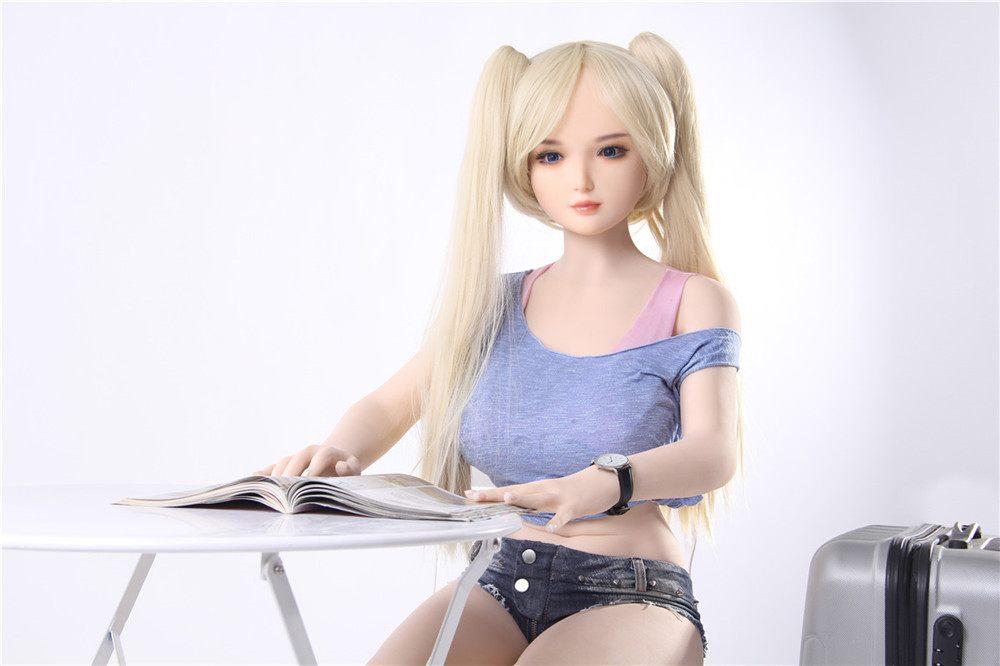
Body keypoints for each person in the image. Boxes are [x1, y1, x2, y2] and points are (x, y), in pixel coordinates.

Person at [254, 33, 743, 665]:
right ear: (524, 167)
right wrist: (339, 453)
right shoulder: (493, 306)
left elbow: (713, 452)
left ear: (651, 153)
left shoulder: (691, 300)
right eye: (551, 155)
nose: (582, 178)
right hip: (500, 577)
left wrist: (605, 482)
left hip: (630, 587)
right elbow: (390, 404)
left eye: (611, 150)